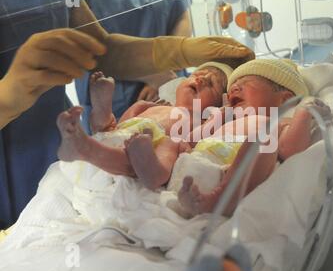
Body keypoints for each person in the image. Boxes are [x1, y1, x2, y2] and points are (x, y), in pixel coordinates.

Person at [0, 0, 254, 229]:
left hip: (54, 142)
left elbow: (101, 50)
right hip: (23, 152)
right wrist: (6, 97)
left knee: (57, 225)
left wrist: (180, 51)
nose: (202, 78)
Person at [170, 59, 332, 217]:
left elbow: (290, 150)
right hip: (195, 170)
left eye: (246, 83)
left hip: (236, 177)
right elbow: (192, 140)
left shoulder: (277, 123)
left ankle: (219, 199)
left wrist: (303, 114)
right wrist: (216, 119)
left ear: (285, 99)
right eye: (232, 86)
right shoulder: (224, 120)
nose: (233, 88)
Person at [56, 62, 233, 189]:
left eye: (210, 84)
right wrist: (136, 108)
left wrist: (218, 117)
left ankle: (85, 147)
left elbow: (197, 140)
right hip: (122, 135)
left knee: (168, 145)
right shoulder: (153, 106)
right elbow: (122, 126)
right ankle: (102, 109)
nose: (200, 80)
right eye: (196, 75)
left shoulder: (199, 121)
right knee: (109, 128)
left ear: (214, 107)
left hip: (145, 153)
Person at [75, 0, 194, 131]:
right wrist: (154, 74)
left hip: (172, 82)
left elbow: (181, 14)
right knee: (120, 143)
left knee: (183, 144)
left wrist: (171, 67)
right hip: (117, 100)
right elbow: (85, 43)